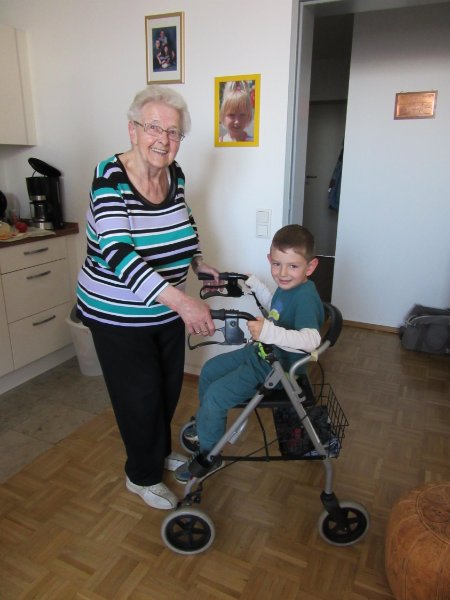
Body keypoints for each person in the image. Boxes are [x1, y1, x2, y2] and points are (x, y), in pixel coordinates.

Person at [76, 85, 221, 510]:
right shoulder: (110, 177)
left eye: (173, 132)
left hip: (165, 307)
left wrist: (197, 262)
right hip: (116, 313)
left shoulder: (175, 174)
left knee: (167, 388)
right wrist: (183, 302)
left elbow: (184, 220)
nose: (163, 139)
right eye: (153, 127)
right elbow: (118, 252)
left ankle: (156, 452)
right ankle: (141, 475)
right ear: (133, 130)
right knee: (139, 397)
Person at [175, 224, 325, 482]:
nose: (283, 273)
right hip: (260, 354)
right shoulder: (288, 287)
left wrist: (269, 333)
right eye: (276, 264)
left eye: (293, 266)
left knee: (216, 396)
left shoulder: (305, 298)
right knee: (209, 370)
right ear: (270, 259)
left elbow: (311, 341)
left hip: (276, 369)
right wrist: (257, 285)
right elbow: (275, 310)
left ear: (310, 267)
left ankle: (210, 456)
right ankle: (207, 425)